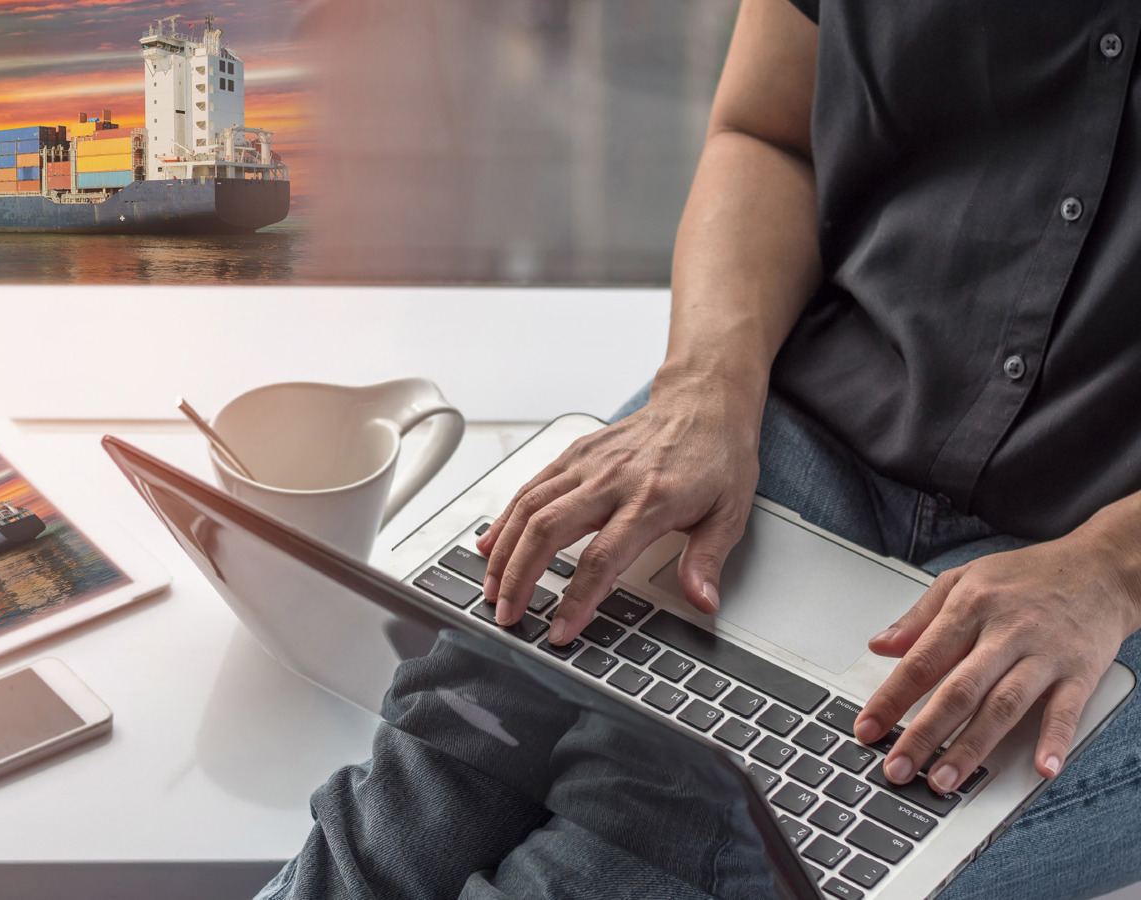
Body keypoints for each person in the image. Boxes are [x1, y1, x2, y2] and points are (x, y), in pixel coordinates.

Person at [260, 0, 1141, 896]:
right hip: (799, 411)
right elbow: (767, 130)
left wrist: (1116, 566)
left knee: (680, 850)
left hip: (1104, 559)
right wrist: (704, 382)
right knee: (446, 754)